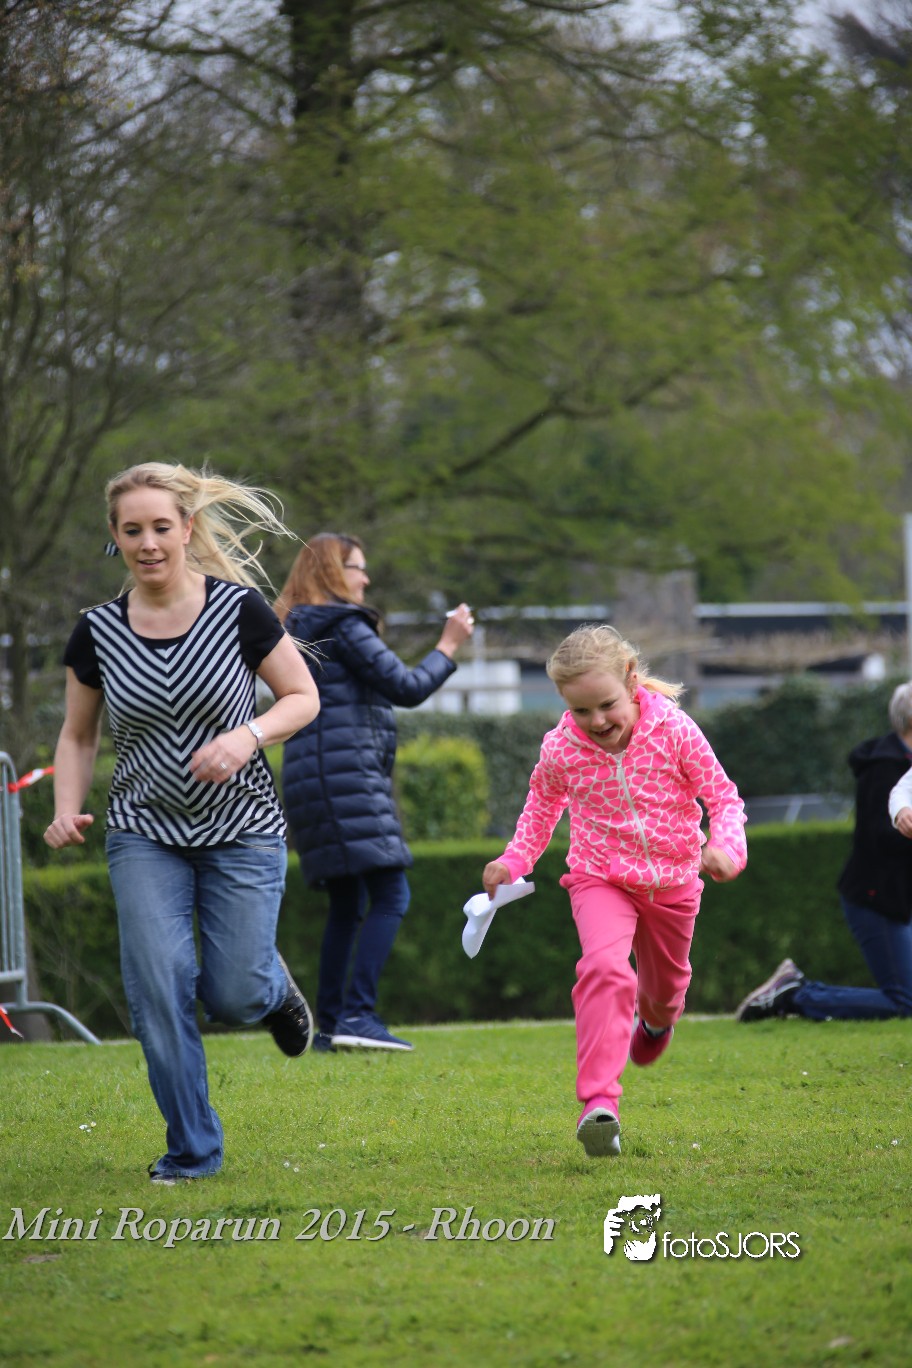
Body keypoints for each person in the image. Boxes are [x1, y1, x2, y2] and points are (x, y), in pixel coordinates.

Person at [44, 462, 321, 1184]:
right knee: (158, 988)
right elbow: (78, 734)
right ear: (115, 536)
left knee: (234, 993)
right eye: (133, 530)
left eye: (161, 527)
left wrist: (247, 737)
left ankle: (271, 989)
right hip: (142, 832)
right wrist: (66, 807)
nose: (148, 543)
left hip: (243, 827)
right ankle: (192, 1151)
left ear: (187, 529)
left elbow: (302, 697)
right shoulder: (97, 632)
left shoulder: (239, 611)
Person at [482, 624, 747, 1159]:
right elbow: (541, 809)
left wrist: (726, 849)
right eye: (581, 711)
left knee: (665, 992)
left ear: (630, 681)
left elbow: (723, 798)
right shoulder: (561, 749)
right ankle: (600, 1104)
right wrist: (514, 860)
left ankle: (657, 1021)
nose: (597, 721)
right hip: (599, 877)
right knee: (604, 968)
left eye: (606, 706)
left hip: (673, 882)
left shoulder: (675, 730)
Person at [276, 534, 474, 1052]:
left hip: (309, 779)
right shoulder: (342, 624)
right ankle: (358, 1015)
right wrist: (448, 644)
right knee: (391, 893)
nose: (365, 578)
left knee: (346, 904)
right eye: (357, 568)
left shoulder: (295, 629)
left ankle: (330, 1028)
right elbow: (406, 687)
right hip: (348, 776)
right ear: (332, 572)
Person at [737, 681, 912, 1024]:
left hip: (892, 898)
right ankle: (795, 995)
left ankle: (795, 991)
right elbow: (878, 836)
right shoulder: (886, 768)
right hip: (876, 900)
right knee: (904, 1000)